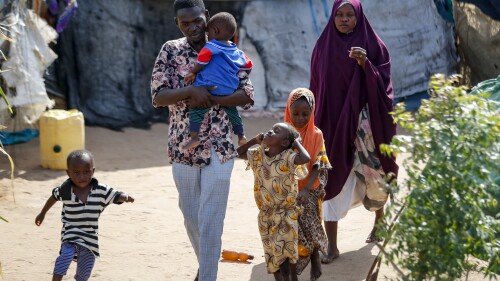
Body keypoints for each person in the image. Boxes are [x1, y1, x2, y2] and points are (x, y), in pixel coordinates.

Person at [150, 0, 254, 280]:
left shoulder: (228, 47)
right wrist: (190, 91)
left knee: (212, 217)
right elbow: (158, 96)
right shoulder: (170, 51)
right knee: (191, 215)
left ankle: (208, 276)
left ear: (206, 16)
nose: (193, 27)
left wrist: (214, 99)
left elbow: (246, 93)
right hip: (183, 145)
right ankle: (206, 265)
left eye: (197, 20)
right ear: (177, 24)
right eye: (186, 23)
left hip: (221, 147)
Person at [309, 0, 399, 264]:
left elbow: (385, 87)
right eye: (340, 14)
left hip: (365, 127)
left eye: (350, 15)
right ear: (333, 16)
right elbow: (317, 87)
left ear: (359, 17)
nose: (344, 19)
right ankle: (332, 246)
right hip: (332, 126)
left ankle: (379, 223)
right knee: (330, 180)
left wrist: (365, 65)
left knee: (374, 175)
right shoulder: (323, 46)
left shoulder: (374, 45)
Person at [35, 149, 135, 281]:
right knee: (65, 257)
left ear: (93, 171)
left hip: (90, 239)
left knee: (84, 271)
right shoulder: (65, 190)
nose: (81, 177)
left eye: (86, 172)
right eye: (76, 173)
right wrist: (42, 213)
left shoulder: (100, 189)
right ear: (68, 173)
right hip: (70, 233)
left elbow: (114, 195)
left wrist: (125, 197)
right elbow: (53, 197)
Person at [237, 122, 310, 281]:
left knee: (285, 257)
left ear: (284, 143)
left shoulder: (288, 158)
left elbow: (306, 157)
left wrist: (295, 141)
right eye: (271, 128)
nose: (270, 131)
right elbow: (238, 153)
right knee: (273, 258)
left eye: (276, 131)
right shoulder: (258, 155)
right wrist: (254, 141)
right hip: (266, 215)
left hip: (286, 214)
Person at [183, 11, 253, 150]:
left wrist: (193, 72)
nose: (207, 36)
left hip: (209, 87)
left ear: (215, 31)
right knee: (233, 113)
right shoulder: (237, 51)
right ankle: (241, 136)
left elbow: (202, 60)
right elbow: (248, 66)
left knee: (196, 110)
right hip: (229, 90)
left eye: (208, 33)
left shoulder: (211, 46)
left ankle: (194, 137)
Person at [284, 88, 331, 280]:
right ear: (288, 110)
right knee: (291, 234)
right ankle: (294, 274)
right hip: (287, 191)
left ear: (312, 112)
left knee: (310, 229)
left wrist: (306, 189)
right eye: (295, 113)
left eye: (305, 114)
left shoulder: (317, 135)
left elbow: (319, 166)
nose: (300, 118)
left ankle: (315, 258)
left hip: (310, 189)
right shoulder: (282, 132)